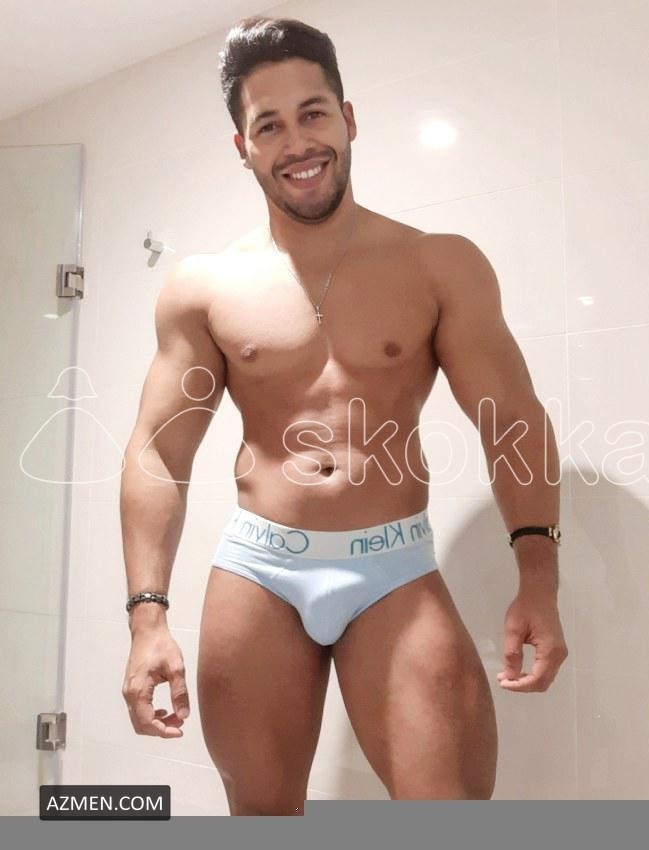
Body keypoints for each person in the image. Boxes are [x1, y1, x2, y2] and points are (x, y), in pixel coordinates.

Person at [120, 16, 568, 815]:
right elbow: (158, 453)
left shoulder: (439, 264)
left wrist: (539, 576)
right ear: (243, 147)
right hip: (258, 570)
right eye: (269, 125)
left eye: (312, 113)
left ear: (348, 118)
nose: (297, 142)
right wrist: (146, 618)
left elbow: (511, 420)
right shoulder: (204, 287)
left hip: (392, 567)